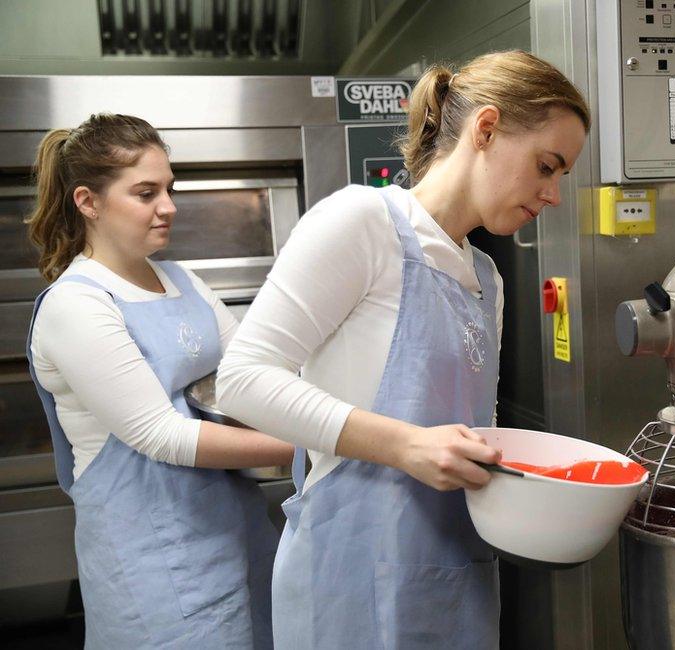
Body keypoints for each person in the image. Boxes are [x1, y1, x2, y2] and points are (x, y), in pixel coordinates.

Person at [216, 50, 589, 648]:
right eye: (547, 166)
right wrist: (410, 445)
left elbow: (475, 434)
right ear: (486, 129)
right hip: (351, 579)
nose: (554, 195)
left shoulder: (487, 280)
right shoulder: (363, 222)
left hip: (453, 578)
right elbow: (243, 378)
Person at [25, 113, 294, 648]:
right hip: (151, 564)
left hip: (234, 535)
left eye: (169, 189)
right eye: (145, 193)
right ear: (88, 201)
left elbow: (252, 373)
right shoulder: (77, 304)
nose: (168, 206)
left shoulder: (181, 279)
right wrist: (309, 444)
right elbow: (161, 435)